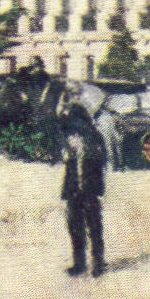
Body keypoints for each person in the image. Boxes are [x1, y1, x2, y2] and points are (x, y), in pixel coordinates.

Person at [60, 114, 108, 277]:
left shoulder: (94, 139)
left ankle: (98, 262)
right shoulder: (71, 141)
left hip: (89, 189)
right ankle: (79, 262)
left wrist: (98, 189)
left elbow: (101, 162)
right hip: (74, 190)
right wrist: (66, 192)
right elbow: (69, 168)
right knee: (75, 227)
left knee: (93, 226)